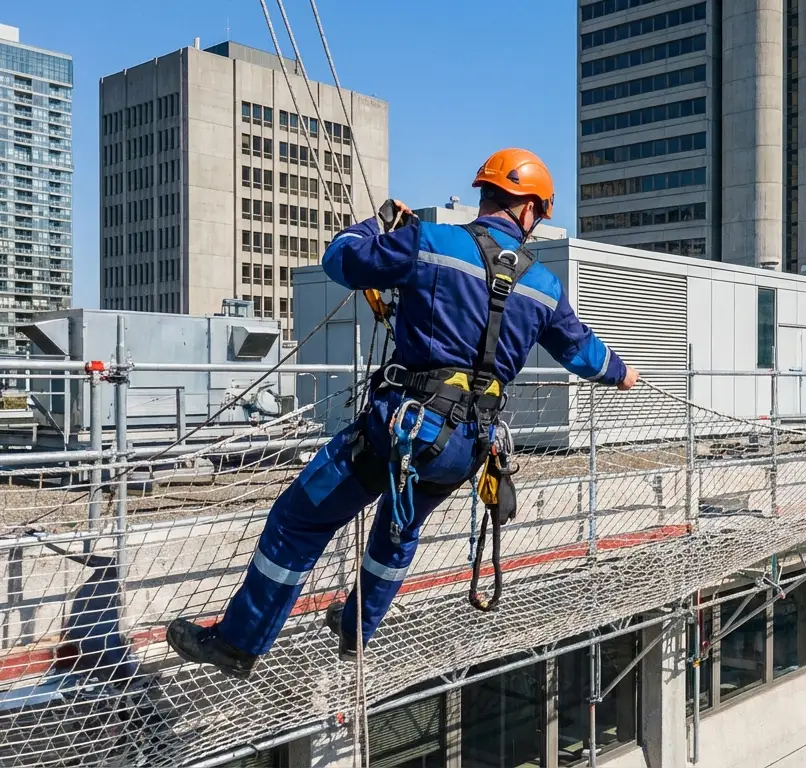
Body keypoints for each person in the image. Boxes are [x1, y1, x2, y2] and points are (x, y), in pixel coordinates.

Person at [166, 148, 639, 679]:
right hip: (467, 446)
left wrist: (379, 221)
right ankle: (356, 629)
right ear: (529, 210)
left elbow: (341, 261)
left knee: (298, 521)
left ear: (487, 197)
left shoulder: (431, 242)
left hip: (404, 430)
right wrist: (622, 373)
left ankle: (238, 642)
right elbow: (585, 353)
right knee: (398, 529)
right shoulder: (544, 287)